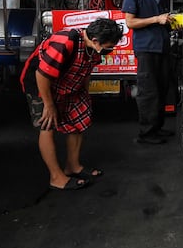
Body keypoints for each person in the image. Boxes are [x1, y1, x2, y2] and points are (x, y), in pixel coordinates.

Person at [21, 17, 123, 190]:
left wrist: (84, 92)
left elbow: (86, 71)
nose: (110, 50)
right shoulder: (65, 42)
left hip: (69, 83)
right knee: (47, 125)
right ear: (96, 41)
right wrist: (49, 105)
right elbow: (42, 75)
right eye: (109, 46)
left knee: (79, 121)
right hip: (41, 84)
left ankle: (73, 166)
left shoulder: (94, 48)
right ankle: (56, 177)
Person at [122, 0, 174, 144]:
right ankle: (146, 133)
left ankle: (157, 127)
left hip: (162, 48)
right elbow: (130, 22)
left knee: (161, 89)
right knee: (148, 91)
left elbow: (164, 21)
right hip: (146, 49)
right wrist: (155, 19)